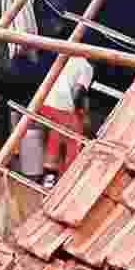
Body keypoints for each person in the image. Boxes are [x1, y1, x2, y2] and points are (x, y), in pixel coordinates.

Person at [39, 57, 93, 188]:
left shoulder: (65, 58)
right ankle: (69, 181)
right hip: (62, 105)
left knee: (55, 136)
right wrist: (82, 115)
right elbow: (78, 92)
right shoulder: (87, 66)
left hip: (45, 102)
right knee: (74, 139)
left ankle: (48, 179)